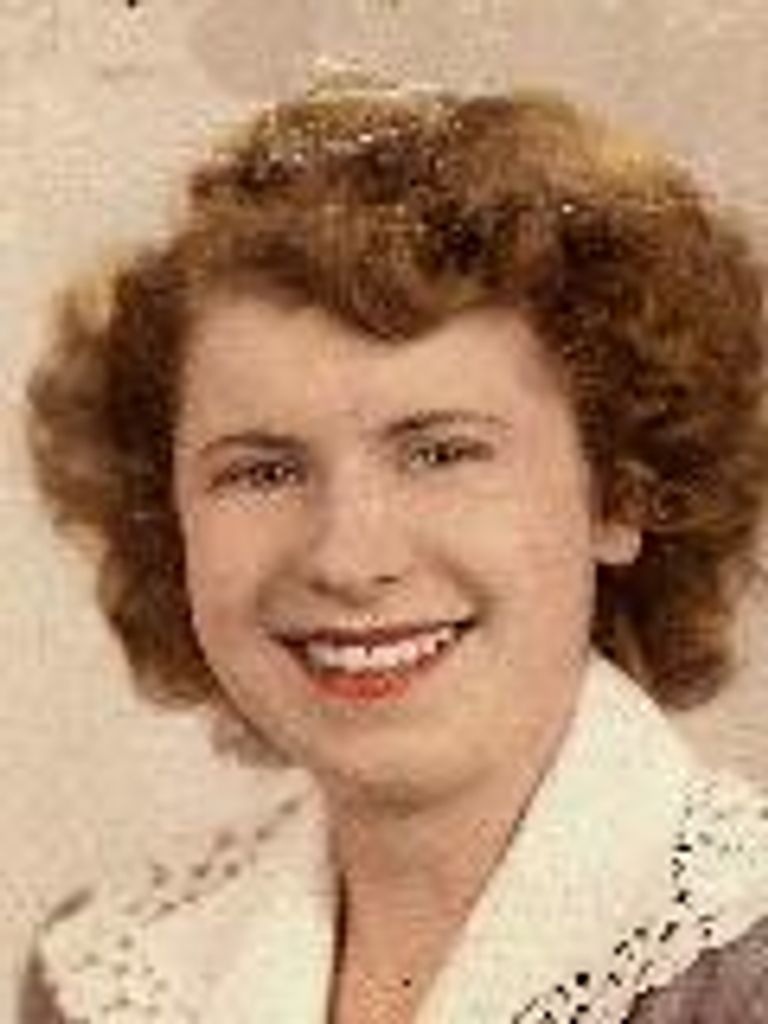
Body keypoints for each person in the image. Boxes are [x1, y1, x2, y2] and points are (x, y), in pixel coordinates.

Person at [21, 77, 768, 1023]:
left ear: (620, 490)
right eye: (262, 471)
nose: (346, 558)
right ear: (168, 516)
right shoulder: (111, 977)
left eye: (441, 453)